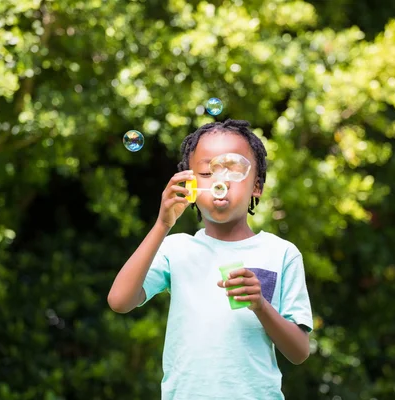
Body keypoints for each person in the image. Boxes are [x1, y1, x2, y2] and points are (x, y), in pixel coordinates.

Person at [108, 119, 313, 399]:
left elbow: (299, 352)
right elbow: (119, 301)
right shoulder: (176, 248)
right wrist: (162, 224)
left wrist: (260, 306)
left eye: (234, 170)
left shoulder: (281, 253)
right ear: (190, 186)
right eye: (206, 172)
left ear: (257, 186)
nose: (220, 181)